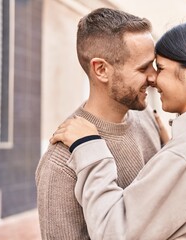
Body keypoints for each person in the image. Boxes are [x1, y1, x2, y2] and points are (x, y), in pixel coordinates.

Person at [51, 19, 186, 240]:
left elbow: (114, 232)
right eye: (147, 68)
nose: (154, 79)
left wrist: (88, 147)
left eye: (161, 68)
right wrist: (172, 148)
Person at [35, 8, 168, 239]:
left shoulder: (148, 118)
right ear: (101, 70)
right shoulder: (61, 164)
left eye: (153, 65)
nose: (154, 77)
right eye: (143, 68)